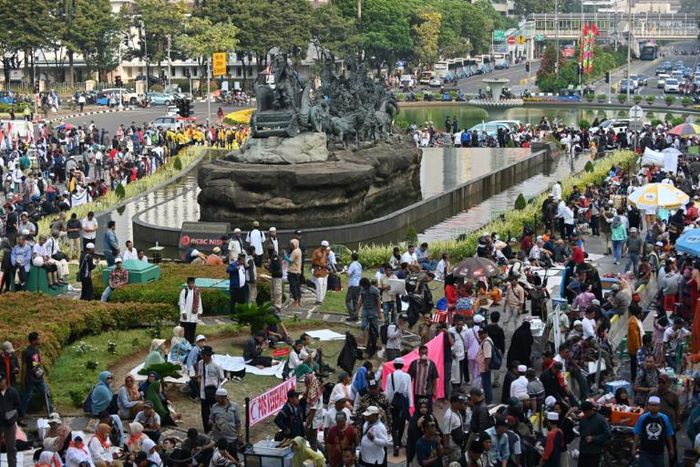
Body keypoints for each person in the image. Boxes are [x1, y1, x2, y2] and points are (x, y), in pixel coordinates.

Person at [633, 395, 675, 467]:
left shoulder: (664, 418)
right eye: (651, 405)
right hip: (645, 452)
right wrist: (634, 448)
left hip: (659, 452)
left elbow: (669, 434)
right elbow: (637, 433)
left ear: (659, 406)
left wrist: (671, 449)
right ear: (648, 406)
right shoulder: (643, 418)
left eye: (656, 405)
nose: (653, 407)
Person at [20, 331, 52, 417]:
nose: (40, 340)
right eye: (38, 339)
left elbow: (37, 362)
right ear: (33, 341)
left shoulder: (36, 350)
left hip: (38, 377)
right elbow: (24, 366)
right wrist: (22, 379)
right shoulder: (26, 352)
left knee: (45, 393)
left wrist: (40, 371)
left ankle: (51, 411)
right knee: (27, 396)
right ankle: (21, 414)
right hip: (30, 378)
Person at [386, 357, 412, 457]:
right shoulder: (407, 376)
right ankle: (400, 441)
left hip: (393, 403)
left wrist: (388, 404)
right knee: (402, 422)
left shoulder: (390, 376)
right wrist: (410, 405)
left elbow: (388, 391)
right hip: (403, 403)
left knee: (393, 424)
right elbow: (409, 391)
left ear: (394, 365)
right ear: (402, 365)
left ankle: (395, 443)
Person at [197, 346, 227, 433]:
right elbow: (200, 374)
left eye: (204, 355)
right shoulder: (200, 363)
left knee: (216, 411)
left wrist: (219, 388)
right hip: (203, 392)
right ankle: (207, 430)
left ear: (208, 355)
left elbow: (223, 378)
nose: (202, 357)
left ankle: (218, 428)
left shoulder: (216, 366)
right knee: (205, 413)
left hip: (214, 392)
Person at [209, 388, 242, 458]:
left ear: (224, 397)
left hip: (231, 438)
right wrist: (212, 423)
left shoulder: (234, 406)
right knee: (220, 458)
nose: (215, 399)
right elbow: (210, 419)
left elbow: (238, 422)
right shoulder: (214, 406)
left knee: (234, 457)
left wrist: (239, 435)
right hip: (219, 439)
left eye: (217, 397)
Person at [577, 401, 610, 467]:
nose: (586, 414)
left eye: (587, 412)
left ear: (591, 410)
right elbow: (581, 431)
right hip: (583, 450)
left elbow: (607, 434)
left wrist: (594, 438)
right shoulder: (583, 419)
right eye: (584, 413)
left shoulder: (601, 419)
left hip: (594, 452)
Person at [0, 373, 20, 467]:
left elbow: (17, 406)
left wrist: (13, 417)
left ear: (5, 380)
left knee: (11, 447)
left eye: (1, 381)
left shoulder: (13, 392)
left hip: (9, 423)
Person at [356, 277, 381, 348]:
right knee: (364, 326)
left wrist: (379, 312)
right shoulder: (362, 290)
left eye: (364, 286)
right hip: (365, 310)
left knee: (375, 327)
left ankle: (375, 343)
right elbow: (361, 300)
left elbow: (378, 302)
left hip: (373, 310)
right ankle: (365, 343)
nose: (363, 287)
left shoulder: (375, 290)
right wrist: (357, 310)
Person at [179, 277, 203, 344]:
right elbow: (181, 303)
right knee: (185, 333)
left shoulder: (196, 291)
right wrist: (183, 312)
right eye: (190, 283)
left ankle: (191, 345)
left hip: (193, 316)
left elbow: (199, 301)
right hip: (185, 317)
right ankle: (184, 346)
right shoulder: (184, 291)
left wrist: (200, 311)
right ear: (187, 283)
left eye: (193, 283)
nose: (192, 285)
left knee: (192, 332)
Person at [477, 327, 495, 404]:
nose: (480, 335)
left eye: (481, 334)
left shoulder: (486, 342)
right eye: (479, 333)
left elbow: (488, 356)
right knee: (486, 383)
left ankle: (488, 400)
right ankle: (488, 398)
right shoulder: (485, 340)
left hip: (485, 367)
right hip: (483, 366)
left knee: (486, 384)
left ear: (486, 333)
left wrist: (486, 366)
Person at [345, 252, 362, 321]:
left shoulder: (352, 265)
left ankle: (352, 315)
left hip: (353, 284)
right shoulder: (359, 264)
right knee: (355, 301)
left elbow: (348, 274)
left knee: (348, 300)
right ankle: (356, 315)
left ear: (351, 258)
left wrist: (345, 271)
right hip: (358, 284)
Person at [286, 239, 302, 307]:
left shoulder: (295, 252)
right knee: (297, 287)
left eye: (291, 244)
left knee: (293, 287)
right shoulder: (299, 250)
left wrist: (284, 256)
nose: (290, 246)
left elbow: (290, 261)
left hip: (293, 271)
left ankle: (295, 301)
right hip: (298, 271)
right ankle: (299, 301)